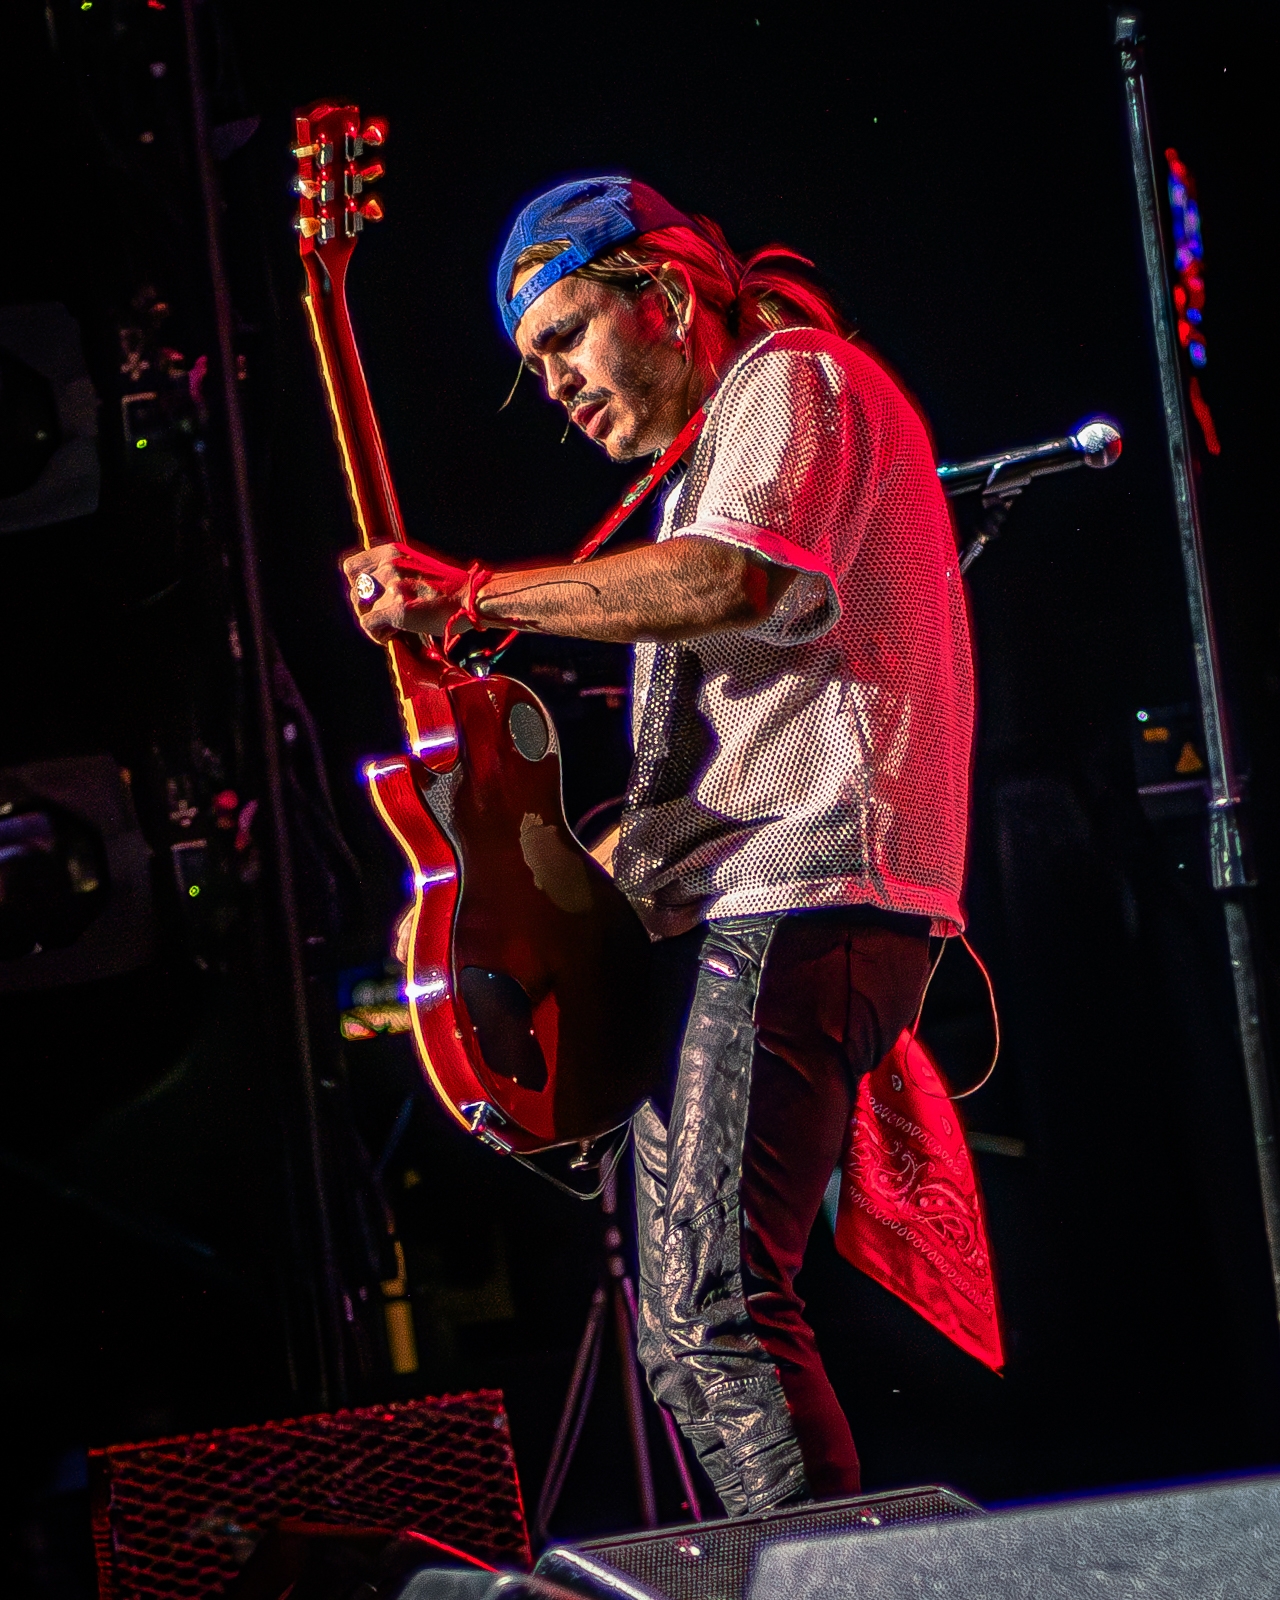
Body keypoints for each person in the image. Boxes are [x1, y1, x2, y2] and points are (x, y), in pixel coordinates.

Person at [343, 177, 974, 1515]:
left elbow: (731, 580)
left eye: (567, 336)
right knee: (689, 1335)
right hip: (746, 898)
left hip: (800, 892)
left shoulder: (796, 377)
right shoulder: (708, 455)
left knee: (713, 1314)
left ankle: (818, 1590)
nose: (559, 387)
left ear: (670, 294)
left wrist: (475, 593)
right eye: (536, 366)